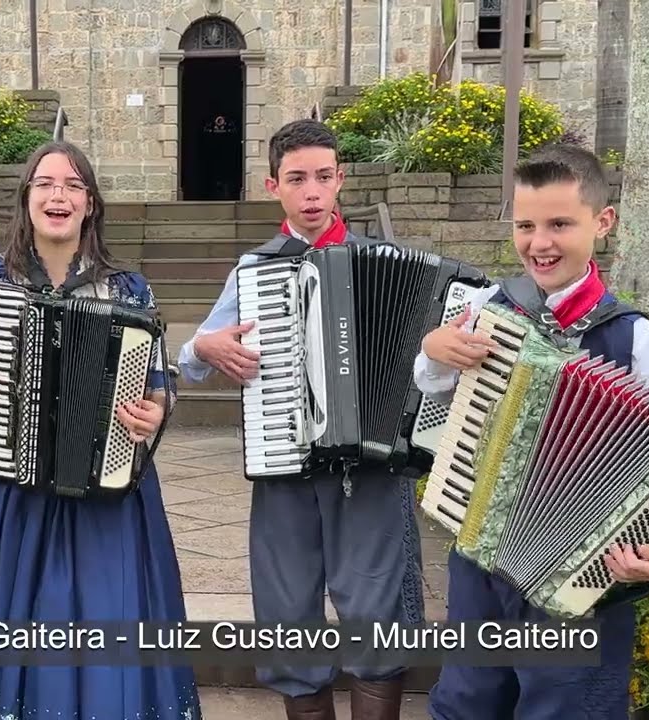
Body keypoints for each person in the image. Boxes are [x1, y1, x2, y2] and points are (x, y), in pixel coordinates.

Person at [0, 140, 201, 720]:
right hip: (10, 485)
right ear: (28, 198)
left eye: (72, 185)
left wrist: (156, 410)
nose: (58, 194)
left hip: (108, 491)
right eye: (45, 183)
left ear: (89, 204)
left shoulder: (128, 288)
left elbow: (160, 382)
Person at [413, 143, 649, 720]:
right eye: (525, 225)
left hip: (583, 577)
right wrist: (434, 351)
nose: (539, 242)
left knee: (566, 708)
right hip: (480, 557)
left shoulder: (639, 341)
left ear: (603, 222)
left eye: (559, 224)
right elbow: (431, 388)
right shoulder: (487, 308)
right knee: (465, 702)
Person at [176, 118, 425, 720]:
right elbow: (191, 360)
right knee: (288, 616)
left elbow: (427, 362)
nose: (312, 192)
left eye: (322, 177)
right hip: (284, 461)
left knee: (376, 618)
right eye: (297, 179)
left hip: (372, 469)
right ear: (273, 186)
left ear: (340, 179)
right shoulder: (254, 270)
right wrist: (203, 348)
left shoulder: (387, 260)